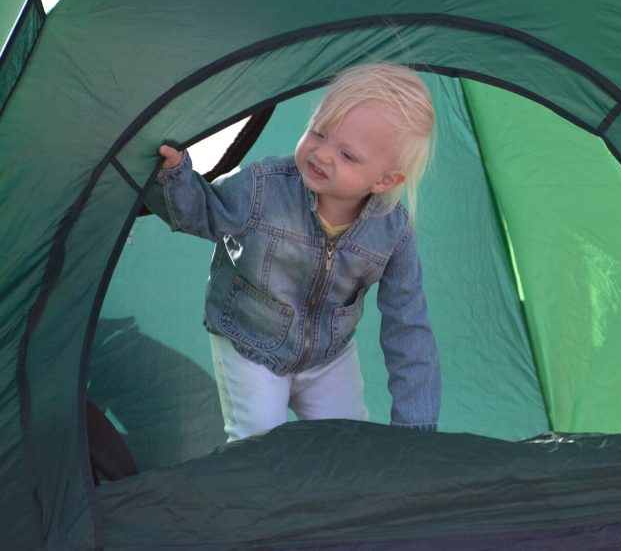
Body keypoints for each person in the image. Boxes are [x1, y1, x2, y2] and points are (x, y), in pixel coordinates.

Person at [149, 62, 440, 441]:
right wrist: (174, 177)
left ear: (385, 180)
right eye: (319, 133)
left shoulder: (392, 230)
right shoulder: (262, 188)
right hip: (249, 342)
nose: (322, 155)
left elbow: (408, 327)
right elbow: (201, 213)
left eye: (348, 155)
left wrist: (416, 430)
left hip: (327, 356)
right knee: (260, 445)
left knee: (349, 449)